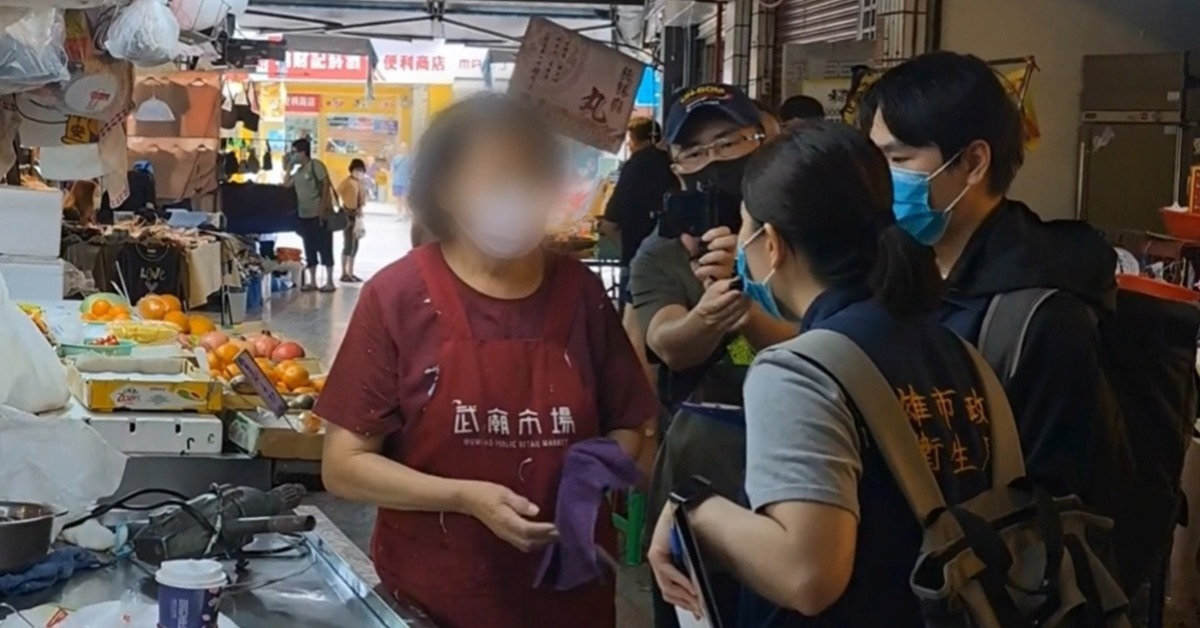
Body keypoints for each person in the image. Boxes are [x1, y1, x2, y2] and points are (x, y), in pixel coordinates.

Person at [316, 94, 657, 628]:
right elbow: (344, 465)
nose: (516, 193)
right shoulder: (398, 297)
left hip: (569, 601)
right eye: (496, 178)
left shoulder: (582, 295)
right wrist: (462, 498)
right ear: (446, 191)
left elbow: (631, 423)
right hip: (435, 597)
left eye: (531, 176)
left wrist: (593, 472)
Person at [648, 119, 1000, 626]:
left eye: (746, 226)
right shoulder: (955, 348)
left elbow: (808, 575)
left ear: (772, 244)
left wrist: (694, 512)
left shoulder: (798, 370)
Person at [858, 51, 1128, 532]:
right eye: (874, 159)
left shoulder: (1044, 316)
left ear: (974, 162)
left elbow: (1054, 500)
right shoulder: (894, 266)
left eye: (897, 160)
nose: (880, 179)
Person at [629, 83, 794, 628]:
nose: (714, 162)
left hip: (800, 458)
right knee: (696, 606)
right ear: (676, 168)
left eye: (729, 143)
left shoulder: (803, 232)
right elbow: (668, 344)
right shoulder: (661, 251)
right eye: (694, 152)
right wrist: (713, 308)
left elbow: (830, 344)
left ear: (765, 140)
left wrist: (748, 299)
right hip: (704, 468)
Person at [599, 116, 678, 307]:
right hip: (676, 266)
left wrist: (632, 251)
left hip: (636, 265)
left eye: (630, 141)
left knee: (634, 320)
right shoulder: (675, 166)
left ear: (641, 140)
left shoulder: (633, 167)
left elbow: (609, 225)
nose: (629, 145)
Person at [284, 138, 336, 292]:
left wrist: (323, 206)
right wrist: (288, 168)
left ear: (303, 152)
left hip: (318, 214)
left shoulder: (315, 166)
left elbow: (326, 184)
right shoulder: (298, 172)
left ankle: (329, 281)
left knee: (325, 246)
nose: (292, 155)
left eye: (294, 152)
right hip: (304, 215)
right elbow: (286, 184)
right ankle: (312, 281)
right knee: (309, 247)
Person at [336, 158, 367, 283]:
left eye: (361, 170)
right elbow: (336, 193)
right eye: (356, 169)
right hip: (347, 215)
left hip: (357, 216)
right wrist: (339, 208)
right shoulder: (347, 182)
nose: (358, 172)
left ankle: (351, 272)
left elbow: (362, 199)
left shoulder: (360, 183)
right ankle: (344, 273)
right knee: (348, 244)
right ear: (351, 170)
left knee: (355, 245)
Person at [390, 141, 412, 220]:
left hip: (406, 182)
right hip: (397, 182)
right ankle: (399, 214)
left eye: (404, 148)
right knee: (398, 198)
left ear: (407, 149)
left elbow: (412, 169)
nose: (403, 149)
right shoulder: (396, 158)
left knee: (404, 198)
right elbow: (392, 169)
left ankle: (406, 212)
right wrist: (392, 176)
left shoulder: (410, 159)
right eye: (402, 147)